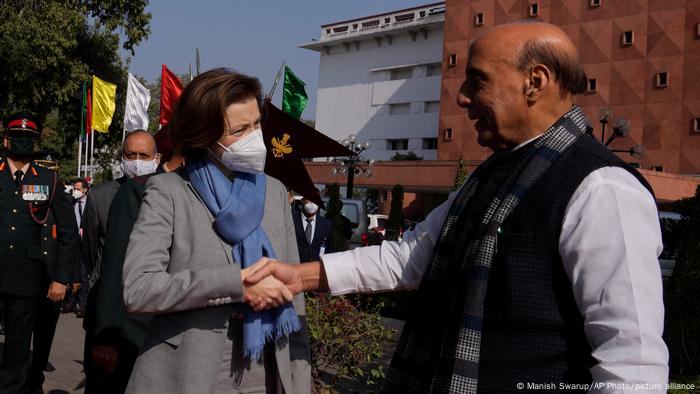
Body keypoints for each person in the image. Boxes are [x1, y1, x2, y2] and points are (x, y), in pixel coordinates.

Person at [245, 22, 668, 393]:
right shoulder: (491, 176)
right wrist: (300, 275)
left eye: (478, 80)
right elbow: (410, 257)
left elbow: (631, 361)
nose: (463, 98)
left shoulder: (602, 188)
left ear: (534, 82)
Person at [121, 68, 311, 394]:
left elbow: (295, 298)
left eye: (256, 124)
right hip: (188, 369)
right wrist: (235, 283)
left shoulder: (276, 192)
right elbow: (138, 289)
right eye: (239, 130)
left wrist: (300, 379)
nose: (254, 137)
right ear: (204, 136)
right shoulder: (168, 192)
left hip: (266, 362)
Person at [87, 130, 182, 394]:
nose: (137, 161)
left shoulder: (187, 188)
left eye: (143, 155)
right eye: (131, 155)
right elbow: (104, 258)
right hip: (120, 321)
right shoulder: (119, 193)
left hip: (164, 326)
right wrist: (105, 334)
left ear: (156, 157)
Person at [0, 111, 79, 393]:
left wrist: (61, 278)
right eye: (17, 137)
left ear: (35, 142)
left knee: (16, 352)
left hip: (26, 279)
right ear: (6, 140)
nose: (22, 142)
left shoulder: (48, 179)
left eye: (28, 138)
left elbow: (69, 233)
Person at [62, 177, 90, 317]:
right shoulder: (70, 203)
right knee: (71, 272)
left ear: (85, 189)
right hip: (72, 242)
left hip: (85, 243)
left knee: (83, 274)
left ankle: (83, 305)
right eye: (74, 188)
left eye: (79, 189)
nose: (76, 191)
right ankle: (70, 303)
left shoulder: (91, 204)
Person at [292, 198, 334, 263]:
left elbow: (329, 249)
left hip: (316, 269)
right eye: (309, 199)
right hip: (296, 267)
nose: (312, 203)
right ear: (302, 201)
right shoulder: (292, 220)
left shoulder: (326, 224)